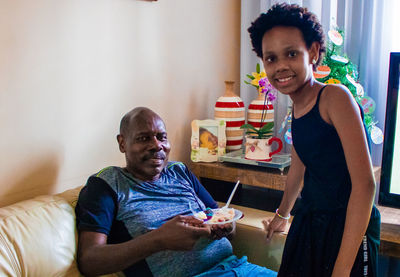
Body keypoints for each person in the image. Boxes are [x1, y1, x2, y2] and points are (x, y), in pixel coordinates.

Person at [247, 3, 380, 277]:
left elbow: (365, 185)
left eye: (292, 53)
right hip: (312, 221)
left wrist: (342, 270)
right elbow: (299, 164)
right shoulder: (297, 106)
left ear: (314, 52)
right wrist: (282, 215)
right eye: (271, 58)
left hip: (348, 226)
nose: (281, 66)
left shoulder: (334, 98)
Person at [75, 107, 277, 277]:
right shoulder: (107, 184)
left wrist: (226, 227)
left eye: (162, 137)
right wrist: (158, 240)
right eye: (144, 138)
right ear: (122, 143)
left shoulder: (179, 171)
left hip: (238, 268)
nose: (157, 145)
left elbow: (222, 219)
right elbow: (89, 261)